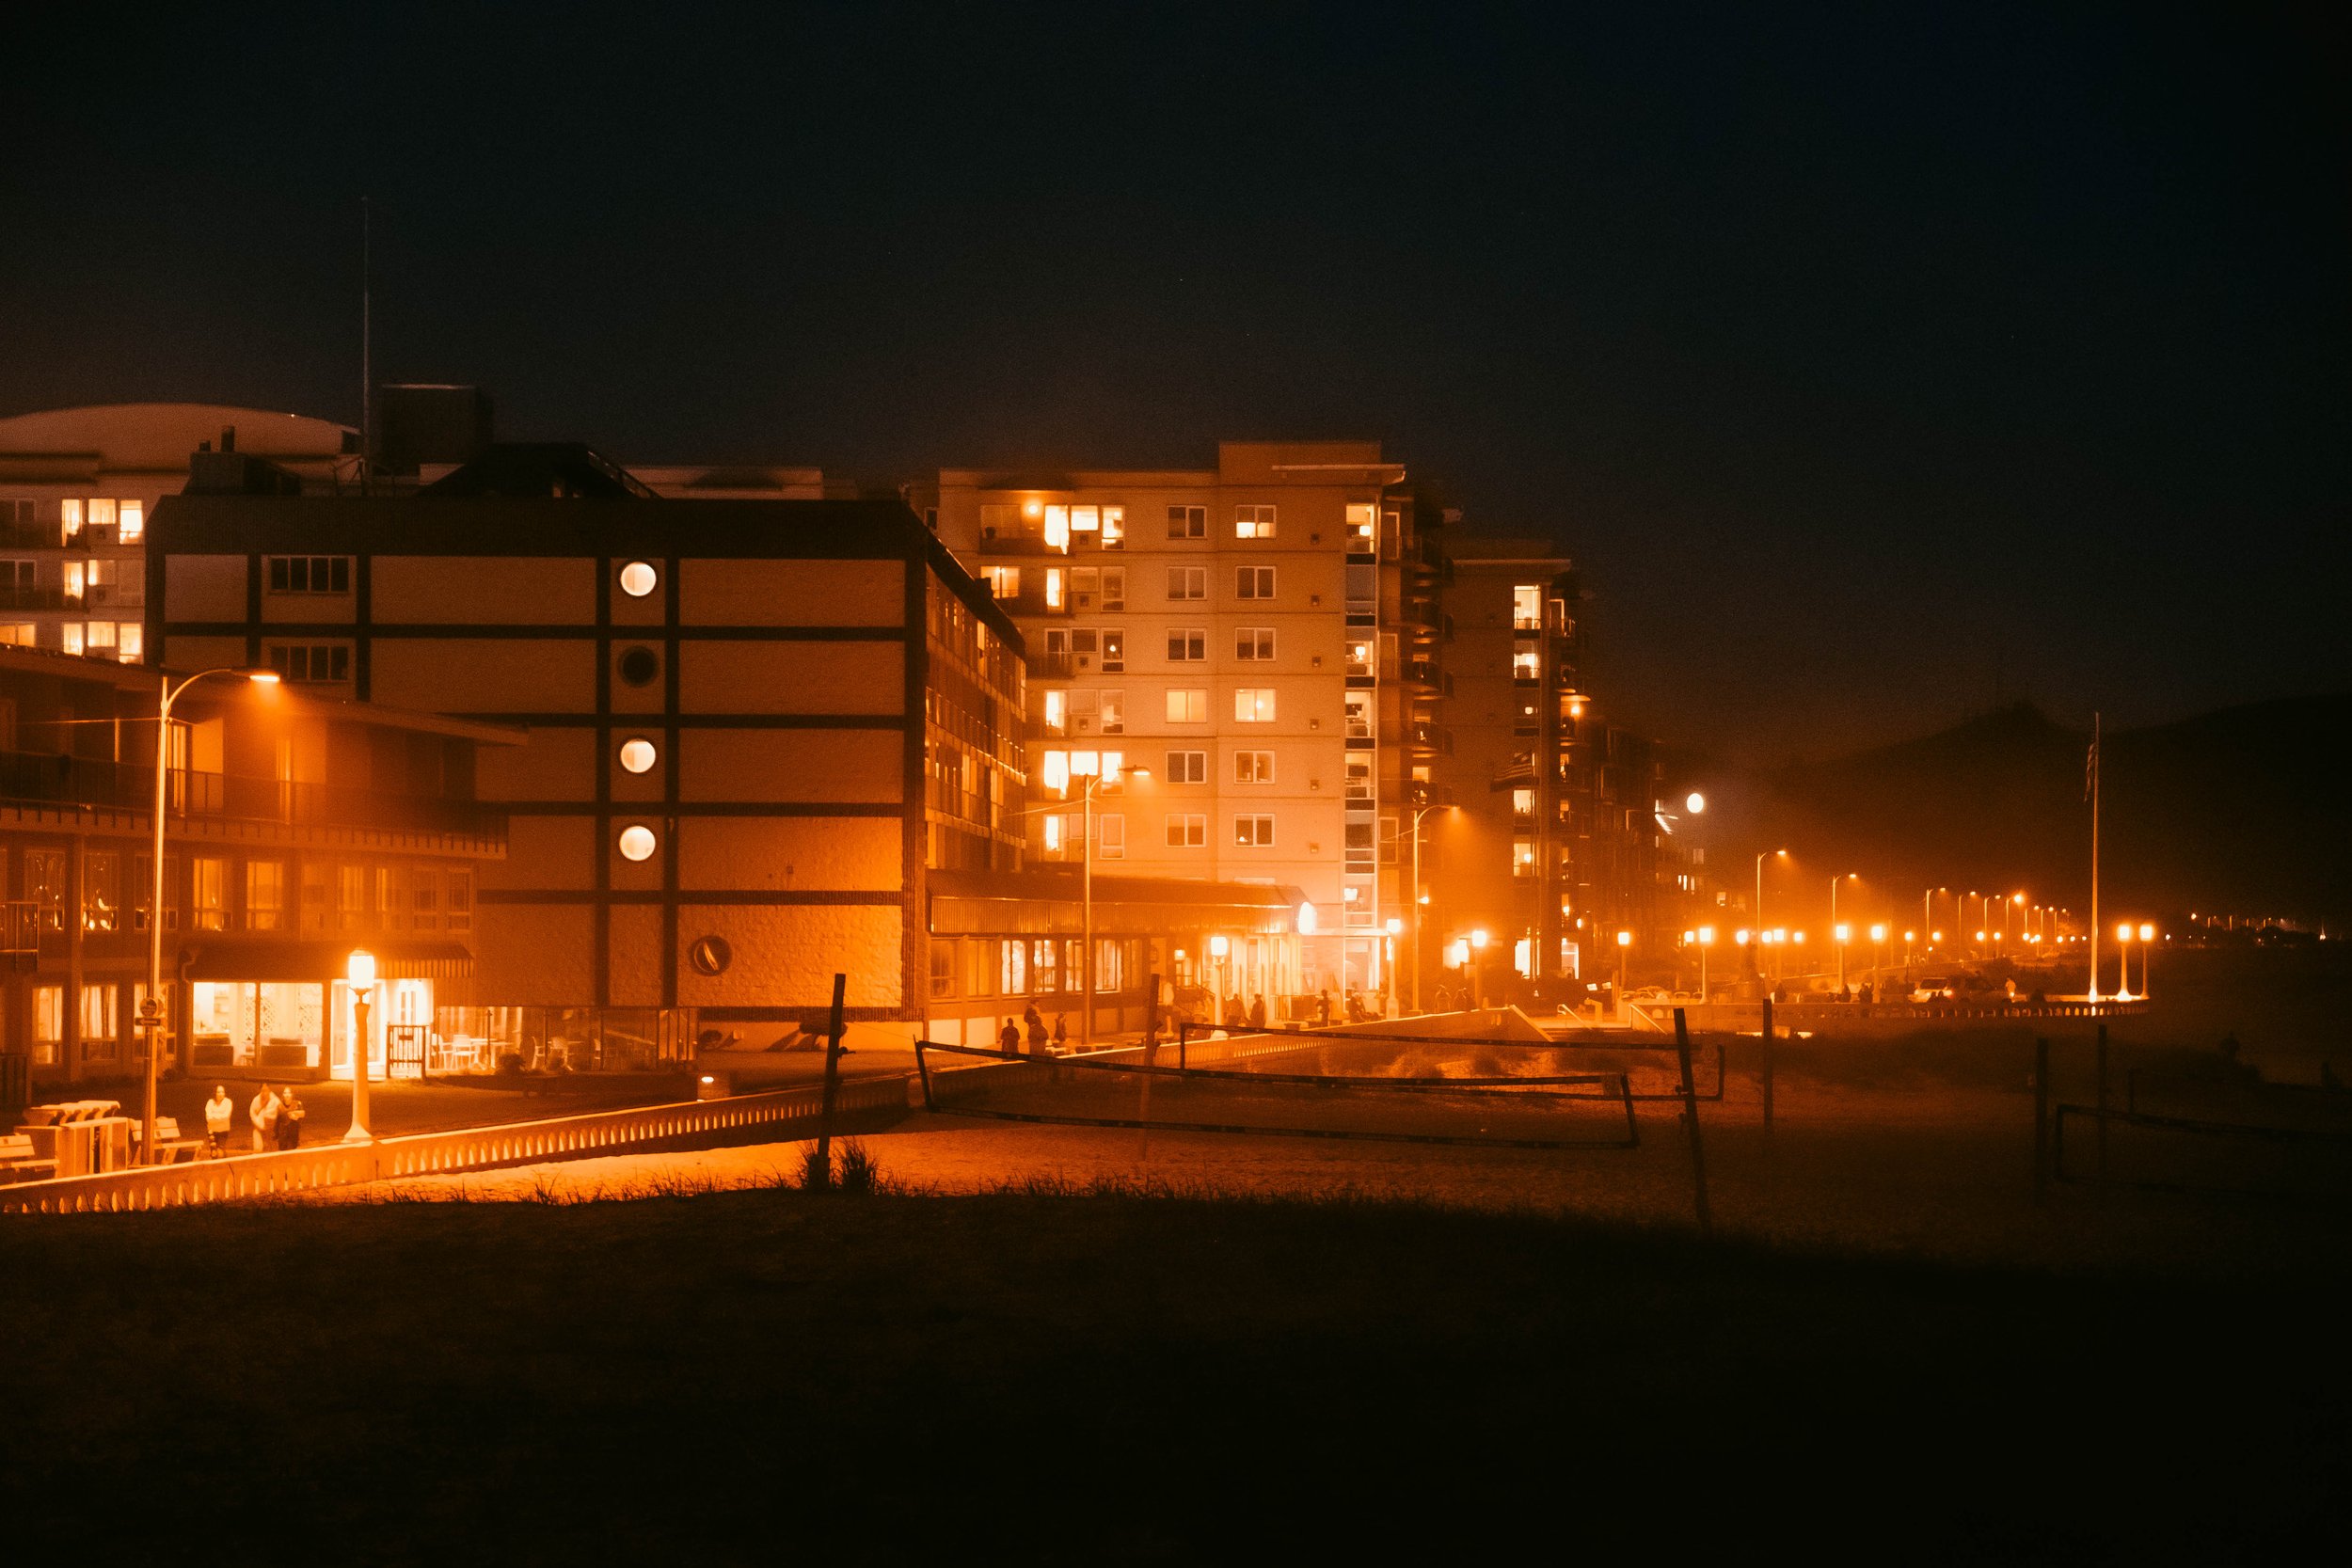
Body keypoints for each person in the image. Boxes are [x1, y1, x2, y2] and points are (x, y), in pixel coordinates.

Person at [248, 1085, 282, 1153]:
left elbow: (281, 1110)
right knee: (258, 1149)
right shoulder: (256, 1100)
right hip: (258, 1126)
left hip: (270, 1127)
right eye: (263, 1090)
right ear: (260, 1091)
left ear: (269, 1090)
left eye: (266, 1090)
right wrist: (259, 1125)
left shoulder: (274, 1100)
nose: (264, 1093)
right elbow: (252, 1114)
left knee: (273, 1149)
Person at [203, 1085, 234, 1156]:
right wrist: (221, 1117)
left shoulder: (228, 1102)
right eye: (218, 1092)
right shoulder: (210, 1102)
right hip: (212, 1131)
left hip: (223, 1131)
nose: (221, 1094)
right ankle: (215, 1165)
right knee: (214, 1152)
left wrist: (214, 1116)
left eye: (222, 1092)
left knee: (220, 1151)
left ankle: (225, 1163)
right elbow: (208, 1118)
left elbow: (226, 1116)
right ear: (215, 1093)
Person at [277, 1085, 306, 1150]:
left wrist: (296, 1117)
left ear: (292, 1094)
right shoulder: (279, 1106)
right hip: (282, 1136)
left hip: (293, 1134)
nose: (287, 1095)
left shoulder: (297, 1104)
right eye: (285, 1093)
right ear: (282, 1095)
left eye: (289, 1093)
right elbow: (277, 1121)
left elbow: (302, 1114)